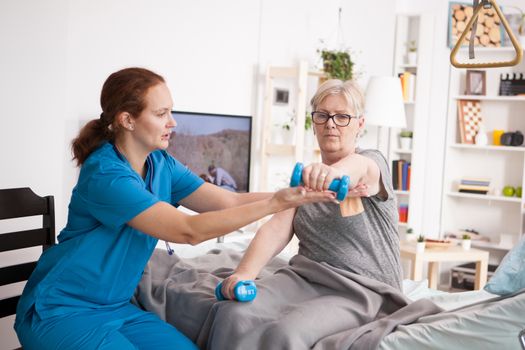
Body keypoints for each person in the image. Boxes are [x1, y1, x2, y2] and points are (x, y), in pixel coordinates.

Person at [14, 67, 337, 350]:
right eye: (161, 113)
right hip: (61, 311)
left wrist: (296, 194)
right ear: (127, 120)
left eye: (171, 111)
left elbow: (229, 201)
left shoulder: (160, 163)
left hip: (116, 309)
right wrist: (275, 204)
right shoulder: (106, 175)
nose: (173, 122)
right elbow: (188, 231)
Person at [220, 78, 402, 300]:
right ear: (314, 123)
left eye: (342, 116)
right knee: (240, 313)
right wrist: (243, 274)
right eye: (322, 115)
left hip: (366, 293)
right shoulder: (306, 183)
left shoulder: (372, 161)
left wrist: (333, 174)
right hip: (309, 283)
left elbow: (360, 167)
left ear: (360, 124)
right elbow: (275, 230)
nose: (330, 124)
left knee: (284, 330)